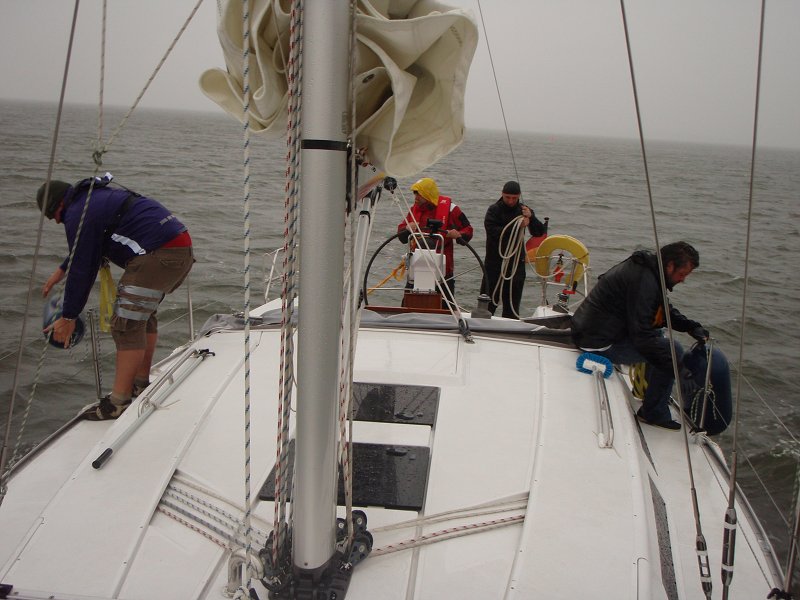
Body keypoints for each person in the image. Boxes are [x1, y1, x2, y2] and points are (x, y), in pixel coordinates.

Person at [37, 174, 194, 420]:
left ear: (58, 206)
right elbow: (87, 246)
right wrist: (62, 269)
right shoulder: (96, 199)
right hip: (179, 250)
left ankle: (118, 403)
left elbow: (83, 269)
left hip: (158, 255)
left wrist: (68, 317)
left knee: (126, 325)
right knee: (142, 317)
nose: (57, 222)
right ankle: (140, 384)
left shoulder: (77, 213)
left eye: (52, 217)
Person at [570, 241, 709, 430]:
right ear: (670, 266)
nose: (682, 279)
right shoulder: (645, 281)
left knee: (659, 338)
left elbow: (661, 310)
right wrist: (679, 369)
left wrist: (690, 327)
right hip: (597, 343)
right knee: (671, 349)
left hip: (591, 331)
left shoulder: (647, 270)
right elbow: (642, 337)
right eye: (682, 274)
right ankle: (654, 413)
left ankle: (650, 397)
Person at [397, 177, 473, 304]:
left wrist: (458, 234)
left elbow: (468, 231)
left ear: (428, 194)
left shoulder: (451, 209)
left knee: (446, 308)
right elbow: (401, 236)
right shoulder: (414, 210)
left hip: (443, 272)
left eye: (419, 194)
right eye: (415, 193)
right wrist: (407, 228)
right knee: (408, 305)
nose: (416, 197)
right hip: (417, 269)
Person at [480, 180, 546, 318]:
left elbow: (539, 233)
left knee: (511, 306)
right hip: (494, 263)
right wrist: (516, 226)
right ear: (502, 194)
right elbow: (492, 231)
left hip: (516, 264)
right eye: (507, 197)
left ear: (519, 196)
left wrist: (531, 218)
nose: (510, 201)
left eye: (514, 198)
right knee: (487, 304)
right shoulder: (493, 210)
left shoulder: (523, 211)